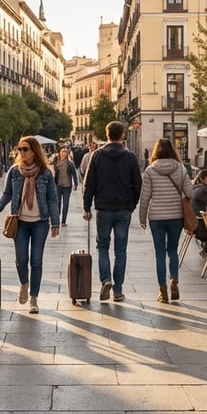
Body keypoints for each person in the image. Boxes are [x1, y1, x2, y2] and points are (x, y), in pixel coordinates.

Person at [0, 136, 59, 313]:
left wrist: (55, 223)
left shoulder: (45, 172)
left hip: (40, 223)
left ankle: (34, 299)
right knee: (21, 259)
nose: (21, 152)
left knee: (36, 260)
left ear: (34, 151)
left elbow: (52, 199)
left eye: (25, 149)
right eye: (19, 149)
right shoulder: (14, 171)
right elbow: (7, 193)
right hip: (20, 222)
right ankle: (24, 283)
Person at [82, 121, 142, 303]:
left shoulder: (97, 156)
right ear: (122, 135)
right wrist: (132, 204)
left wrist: (86, 207)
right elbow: (138, 184)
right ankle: (118, 289)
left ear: (107, 135)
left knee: (102, 246)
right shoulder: (130, 157)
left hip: (103, 207)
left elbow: (88, 183)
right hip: (124, 208)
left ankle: (105, 279)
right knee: (121, 250)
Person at [138, 138, 191, 303]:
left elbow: (145, 197)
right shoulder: (181, 168)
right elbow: (189, 192)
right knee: (173, 251)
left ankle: (163, 291)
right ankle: (174, 279)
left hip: (157, 218)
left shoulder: (149, 171)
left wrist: (142, 217)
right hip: (176, 216)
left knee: (160, 254)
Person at [52, 146, 79, 227]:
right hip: (58, 186)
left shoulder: (69, 163)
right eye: (63, 151)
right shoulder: (55, 162)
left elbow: (74, 174)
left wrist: (76, 184)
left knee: (66, 203)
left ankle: (63, 221)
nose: (64, 153)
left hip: (67, 186)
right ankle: (56, 219)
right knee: (58, 203)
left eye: (65, 151)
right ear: (59, 152)